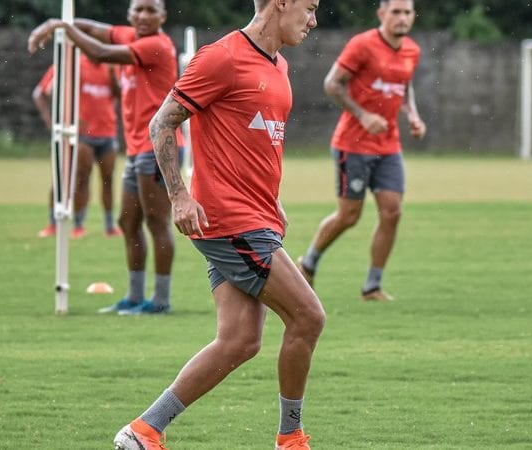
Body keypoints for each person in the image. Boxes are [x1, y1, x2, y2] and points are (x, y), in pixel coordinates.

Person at [110, 0, 324, 448]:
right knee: (308, 317)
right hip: (229, 219)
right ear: (279, 3)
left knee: (240, 341)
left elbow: (253, 142)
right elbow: (162, 122)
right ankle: (292, 439)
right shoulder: (222, 56)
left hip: (256, 215)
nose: (313, 20)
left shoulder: (280, 66)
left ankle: (144, 431)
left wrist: (274, 200)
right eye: (309, 8)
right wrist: (179, 195)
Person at [28, 0, 184, 315]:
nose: (143, 16)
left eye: (150, 10)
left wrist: (64, 29)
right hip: (138, 146)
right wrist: (53, 23)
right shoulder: (130, 35)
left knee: (157, 222)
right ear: (128, 14)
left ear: (163, 17)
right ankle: (135, 296)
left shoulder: (156, 45)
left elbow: (99, 52)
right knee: (129, 222)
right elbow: (94, 29)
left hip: (159, 147)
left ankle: (161, 300)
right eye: (137, 9)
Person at [297, 0, 425, 302]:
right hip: (352, 145)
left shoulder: (412, 50)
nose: (402, 18)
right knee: (349, 215)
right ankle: (308, 262)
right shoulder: (363, 45)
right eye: (395, 12)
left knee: (392, 212)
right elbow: (332, 84)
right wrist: (364, 115)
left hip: (389, 145)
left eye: (407, 12)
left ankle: (372, 286)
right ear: (382, 14)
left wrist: (413, 116)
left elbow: (404, 87)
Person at [34, 53, 123, 239]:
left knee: (108, 179)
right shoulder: (71, 64)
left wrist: (113, 75)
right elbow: (40, 93)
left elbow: (120, 95)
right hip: (82, 135)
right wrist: (51, 122)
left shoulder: (111, 66)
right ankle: (72, 225)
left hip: (108, 132)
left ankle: (109, 226)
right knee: (78, 178)